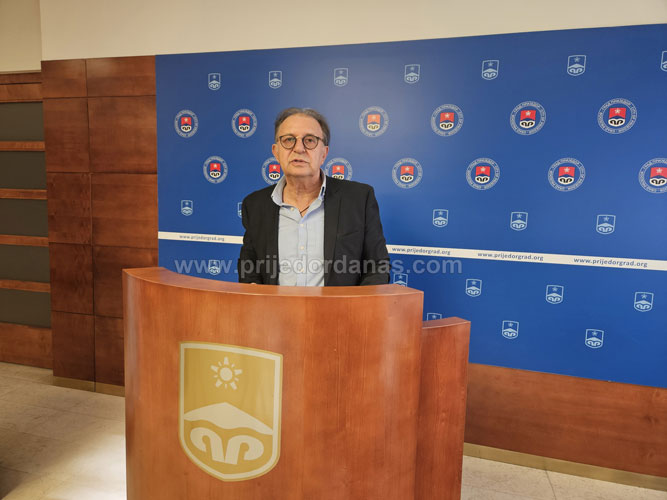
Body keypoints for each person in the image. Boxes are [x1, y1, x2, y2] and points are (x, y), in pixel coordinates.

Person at [238, 107, 390, 286]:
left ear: (324, 153)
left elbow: (377, 267)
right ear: (276, 152)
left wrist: (355, 303)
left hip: (340, 305)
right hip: (274, 306)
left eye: (310, 140)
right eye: (288, 140)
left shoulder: (358, 199)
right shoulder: (255, 205)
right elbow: (249, 268)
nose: (299, 148)